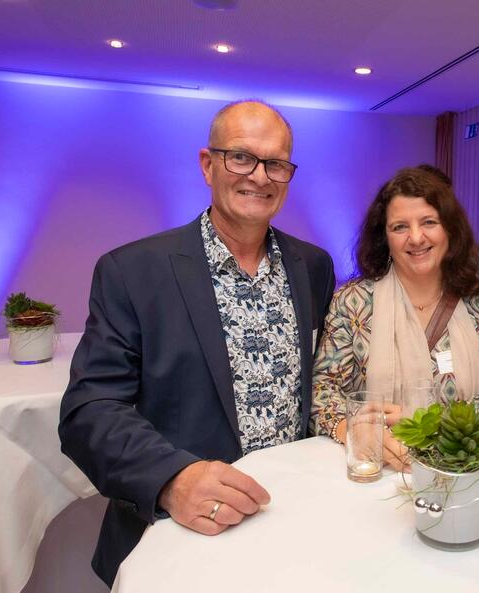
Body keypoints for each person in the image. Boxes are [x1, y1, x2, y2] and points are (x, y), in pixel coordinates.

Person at [59, 100, 335, 586]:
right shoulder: (132, 271)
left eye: (276, 163)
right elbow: (90, 409)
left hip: (294, 519)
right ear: (208, 164)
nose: (260, 176)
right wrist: (172, 479)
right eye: (241, 157)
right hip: (183, 532)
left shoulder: (313, 266)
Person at [311, 168, 479, 470]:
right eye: (399, 227)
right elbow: (322, 394)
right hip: (374, 469)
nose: (415, 238)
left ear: (450, 229)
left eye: (428, 222)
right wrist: (353, 430)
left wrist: (432, 422)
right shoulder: (354, 302)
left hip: (461, 470)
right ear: (384, 236)